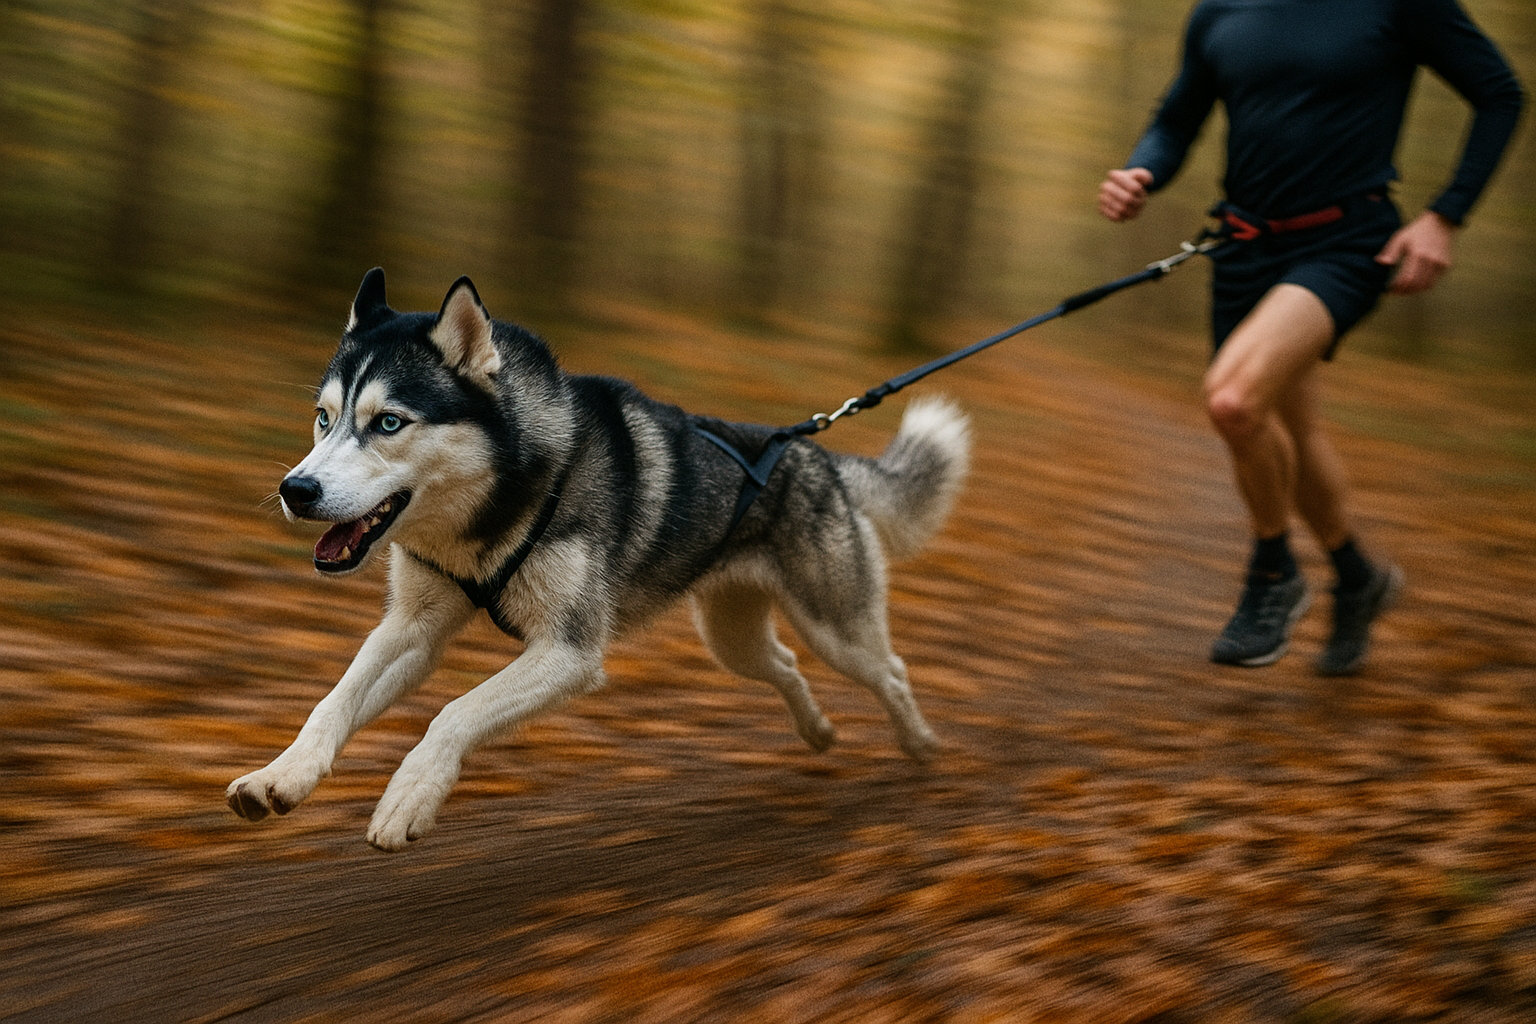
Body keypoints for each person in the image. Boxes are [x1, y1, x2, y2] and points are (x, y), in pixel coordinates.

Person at [1098, 0, 1523, 674]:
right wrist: (1143, 170)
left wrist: (1446, 216)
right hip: (1242, 245)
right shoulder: (1219, 12)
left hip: (1347, 243)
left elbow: (1499, 93)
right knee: (1289, 428)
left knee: (1234, 401)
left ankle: (1273, 572)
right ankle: (1358, 578)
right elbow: (1177, 118)